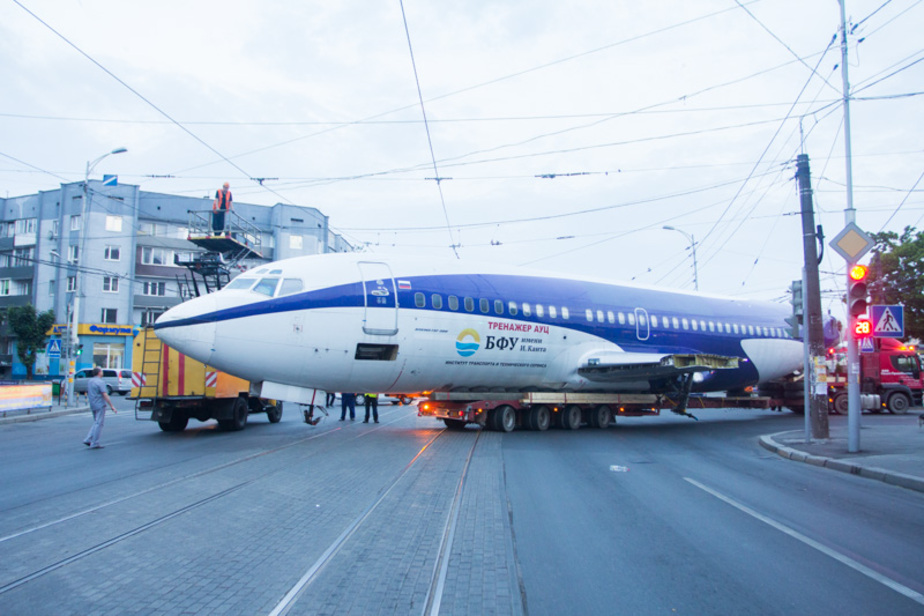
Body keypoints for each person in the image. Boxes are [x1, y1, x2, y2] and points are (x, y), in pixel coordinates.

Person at [82, 366, 117, 449]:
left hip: (93, 404)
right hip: (100, 404)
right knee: (99, 424)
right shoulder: (100, 382)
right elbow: (104, 394)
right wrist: (111, 406)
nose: (102, 372)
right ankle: (94, 442)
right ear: (99, 372)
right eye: (101, 371)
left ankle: (89, 439)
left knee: (96, 422)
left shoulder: (90, 381)